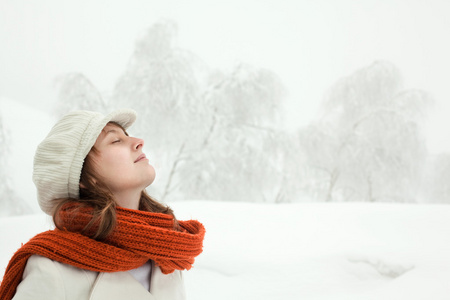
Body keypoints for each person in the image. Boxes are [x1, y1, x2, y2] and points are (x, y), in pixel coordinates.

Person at [0, 109, 205, 300]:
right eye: (116, 140)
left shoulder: (167, 252)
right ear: (82, 176)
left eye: (128, 135)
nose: (138, 141)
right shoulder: (53, 271)